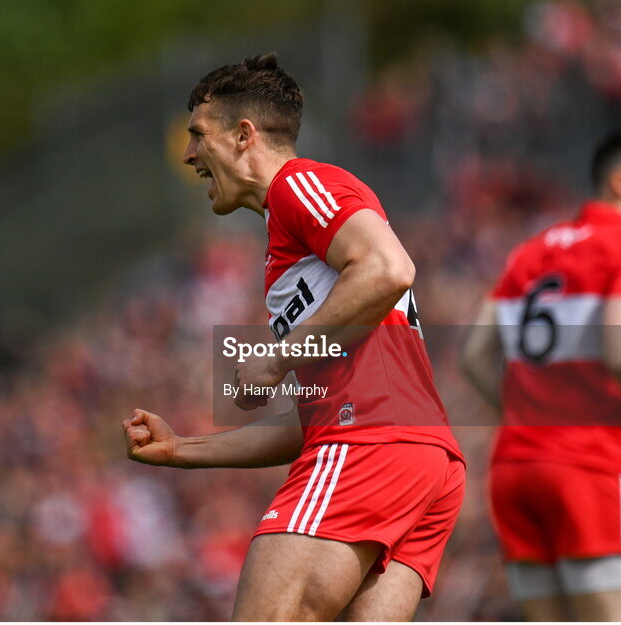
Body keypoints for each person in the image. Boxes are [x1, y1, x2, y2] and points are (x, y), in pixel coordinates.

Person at [122, 53, 465, 621]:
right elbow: (315, 419)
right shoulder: (293, 246)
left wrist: (276, 359)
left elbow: (390, 268)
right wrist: (185, 449)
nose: (187, 155)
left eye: (197, 135)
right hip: (420, 460)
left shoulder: (296, 185)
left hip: (370, 444)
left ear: (244, 135)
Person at [460, 129, 621, 621]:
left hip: (514, 470)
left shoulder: (530, 250)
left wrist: (525, 415)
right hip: (588, 466)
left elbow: (474, 354)